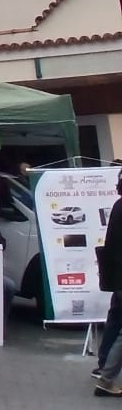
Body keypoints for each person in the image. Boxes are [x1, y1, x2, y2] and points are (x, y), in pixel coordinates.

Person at [94, 168, 122, 397]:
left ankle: (104, 366)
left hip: (117, 276)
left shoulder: (118, 205)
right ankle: (106, 379)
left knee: (115, 321)